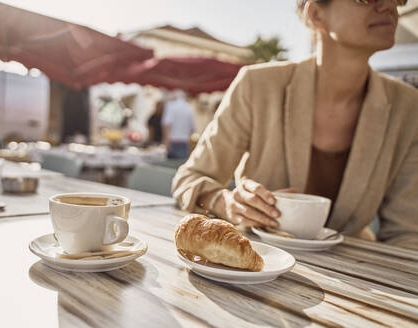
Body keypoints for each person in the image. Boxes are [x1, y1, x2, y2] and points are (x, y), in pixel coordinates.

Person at [172, 0, 418, 250]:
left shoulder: (408, 107)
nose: (389, 6)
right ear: (316, 14)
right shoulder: (258, 86)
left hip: (356, 272)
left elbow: (408, 233)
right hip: (259, 263)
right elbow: (189, 178)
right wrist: (224, 202)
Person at [162, 90, 196, 159]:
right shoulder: (189, 107)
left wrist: (166, 143)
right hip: (185, 143)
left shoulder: (170, 105)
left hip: (173, 142)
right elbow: (192, 128)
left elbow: (167, 124)